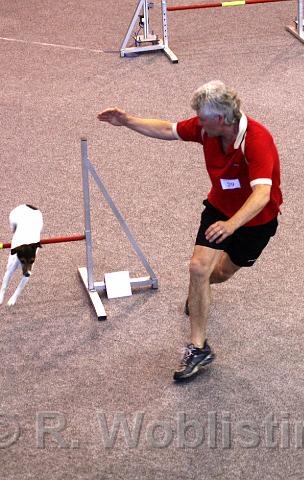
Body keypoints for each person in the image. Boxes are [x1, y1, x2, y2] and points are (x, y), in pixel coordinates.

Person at [97, 80, 282, 381]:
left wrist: (232, 225)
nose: (197, 122)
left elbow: (262, 195)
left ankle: (201, 292)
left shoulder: (257, 139)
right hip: (219, 208)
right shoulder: (207, 129)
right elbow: (167, 129)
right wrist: (127, 120)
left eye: (203, 118)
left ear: (221, 119)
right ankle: (198, 347)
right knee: (198, 269)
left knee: (219, 274)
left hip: (255, 221)